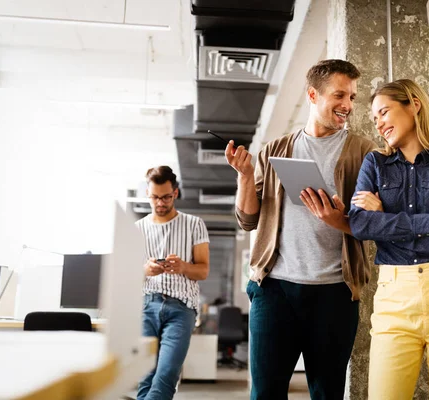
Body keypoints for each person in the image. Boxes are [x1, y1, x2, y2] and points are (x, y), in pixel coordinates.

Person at [225, 59, 377, 399]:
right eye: (340, 95)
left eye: (352, 97)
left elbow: (377, 225)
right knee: (265, 393)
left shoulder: (363, 152)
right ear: (312, 95)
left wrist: (342, 219)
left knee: (327, 393)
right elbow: (248, 220)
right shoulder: (276, 150)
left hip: (335, 293)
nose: (348, 106)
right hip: (274, 290)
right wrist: (245, 176)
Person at [346, 79, 429, 399]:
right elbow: (360, 225)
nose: (378, 123)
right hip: (394, 298)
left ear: (414, 105)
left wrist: (385, 221)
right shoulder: (375, 164)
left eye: (384, 112)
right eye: (374, 118)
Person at [136, 166, 210, 400]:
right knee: (144, 376)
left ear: (175, 193)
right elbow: (129, 275)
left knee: (166, 375)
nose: (160, 202)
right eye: (155, 197)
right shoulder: (137, 229)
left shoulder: (194, 224)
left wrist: (184, 267)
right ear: (148, 194)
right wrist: (145, 270)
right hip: (146, 306)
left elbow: (203, 270)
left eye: (166, 197)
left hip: (181, 309)